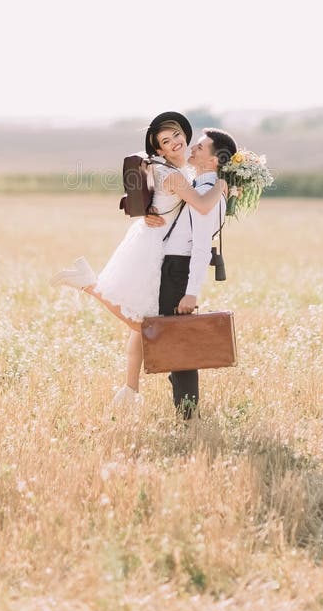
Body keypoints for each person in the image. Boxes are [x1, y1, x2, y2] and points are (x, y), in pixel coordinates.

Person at [50, 112, 227, 406]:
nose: (175, 143)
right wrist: (223, 185)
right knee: (145, 324)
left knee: (143, 318)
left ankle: (129, 391)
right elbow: (203, 205)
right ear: (157, 149)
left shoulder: (171, 169)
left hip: (151, 240)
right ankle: (89, 285)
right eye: (165, 141)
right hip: (155, 248)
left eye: (177, 136)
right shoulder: (171, 174)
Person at [145, 127, 238, 419]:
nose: (192, 150)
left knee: (179, 342)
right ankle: (185, 411)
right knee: (171, 339)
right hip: (174, 265)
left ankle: (187, 415)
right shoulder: (202, 189)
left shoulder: (206, 194)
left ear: (215, 161)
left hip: (179, 268)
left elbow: (200, 247)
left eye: (200, 147)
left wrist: (191, 291)